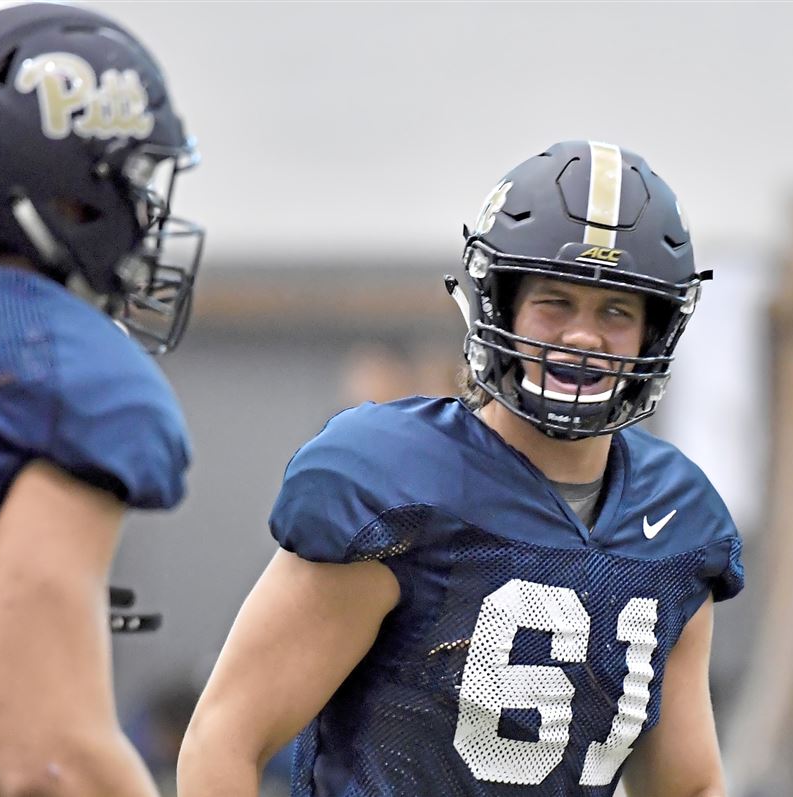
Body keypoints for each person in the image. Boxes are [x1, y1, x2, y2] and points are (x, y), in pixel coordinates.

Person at [178, 141, 741, 796]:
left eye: (615, 311)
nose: (584, 336)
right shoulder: (397, 485)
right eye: (555, 301)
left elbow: (690, 784)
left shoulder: (679, 520)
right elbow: (225, 737)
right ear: (499, 302)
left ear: (655, 331)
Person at [0, 2, 203, 795]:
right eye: (131, 181)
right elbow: (53, 762)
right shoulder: (57, 369)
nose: (144, 215)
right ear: (64, 187)